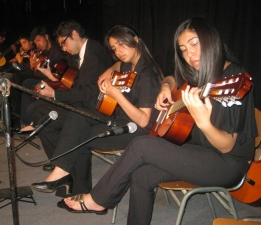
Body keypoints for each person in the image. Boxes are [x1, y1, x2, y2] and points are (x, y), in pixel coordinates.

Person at [58, 16, 257, 225]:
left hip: (228, 164)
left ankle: (98, 199)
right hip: (200, 151)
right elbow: (171, 78)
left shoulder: (233, 78)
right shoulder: (199, 73)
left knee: (142, 145)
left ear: (211, 39)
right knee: (142, 175)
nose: (189, 54)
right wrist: (165, 88)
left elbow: (227, 147)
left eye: (194, 43)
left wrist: (204, 123)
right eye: (182, 49)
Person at [30, 23, 163, 196]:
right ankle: (63, 173)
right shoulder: (128, 64)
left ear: (135, 40)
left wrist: (116, 94)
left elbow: (144, 120)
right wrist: (109, 70)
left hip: (137, 131)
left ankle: (73, 185)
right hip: (119, 119)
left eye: (122, 45)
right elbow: (117, 65)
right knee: (79, 117)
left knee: (80, 137)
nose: (119, 51)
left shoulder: (147, 74)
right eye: (115, 48)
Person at [20, 19, 112, 173]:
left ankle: (64, 164)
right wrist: (51, 78)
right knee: (36, 110)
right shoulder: (84, 52)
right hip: (83, 102)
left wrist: (54, 93)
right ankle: (62, 161)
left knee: (43, 118)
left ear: (74, 34)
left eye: (64, 43)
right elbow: (76, 86)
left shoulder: (93, 54)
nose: (63, 48)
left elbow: (88, 93)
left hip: (93, 109)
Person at [19, 26, 67, 126]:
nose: (37, 44)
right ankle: (27, 122)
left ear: (46, 36)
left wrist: (36, 66)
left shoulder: (56, 50)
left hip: (57, 83)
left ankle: (29, 122)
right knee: (26, 83)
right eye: (35, 42)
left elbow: (46, 72)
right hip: (48, 80)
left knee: (27, 84)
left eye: (39, 40)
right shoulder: (45, 52)